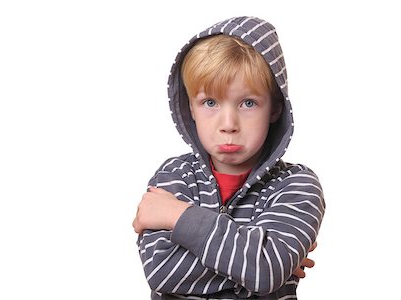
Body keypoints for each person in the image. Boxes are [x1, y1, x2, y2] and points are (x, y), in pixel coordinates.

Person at [132, 16, 325, 299]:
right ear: (191, 109)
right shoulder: (174, 175)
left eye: (248, 103)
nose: (228, 124)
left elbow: (266, 270)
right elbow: (164, 273)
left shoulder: (296, 185)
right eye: (210, 102)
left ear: (274, 108)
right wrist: (259, 265)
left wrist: (178, 215)